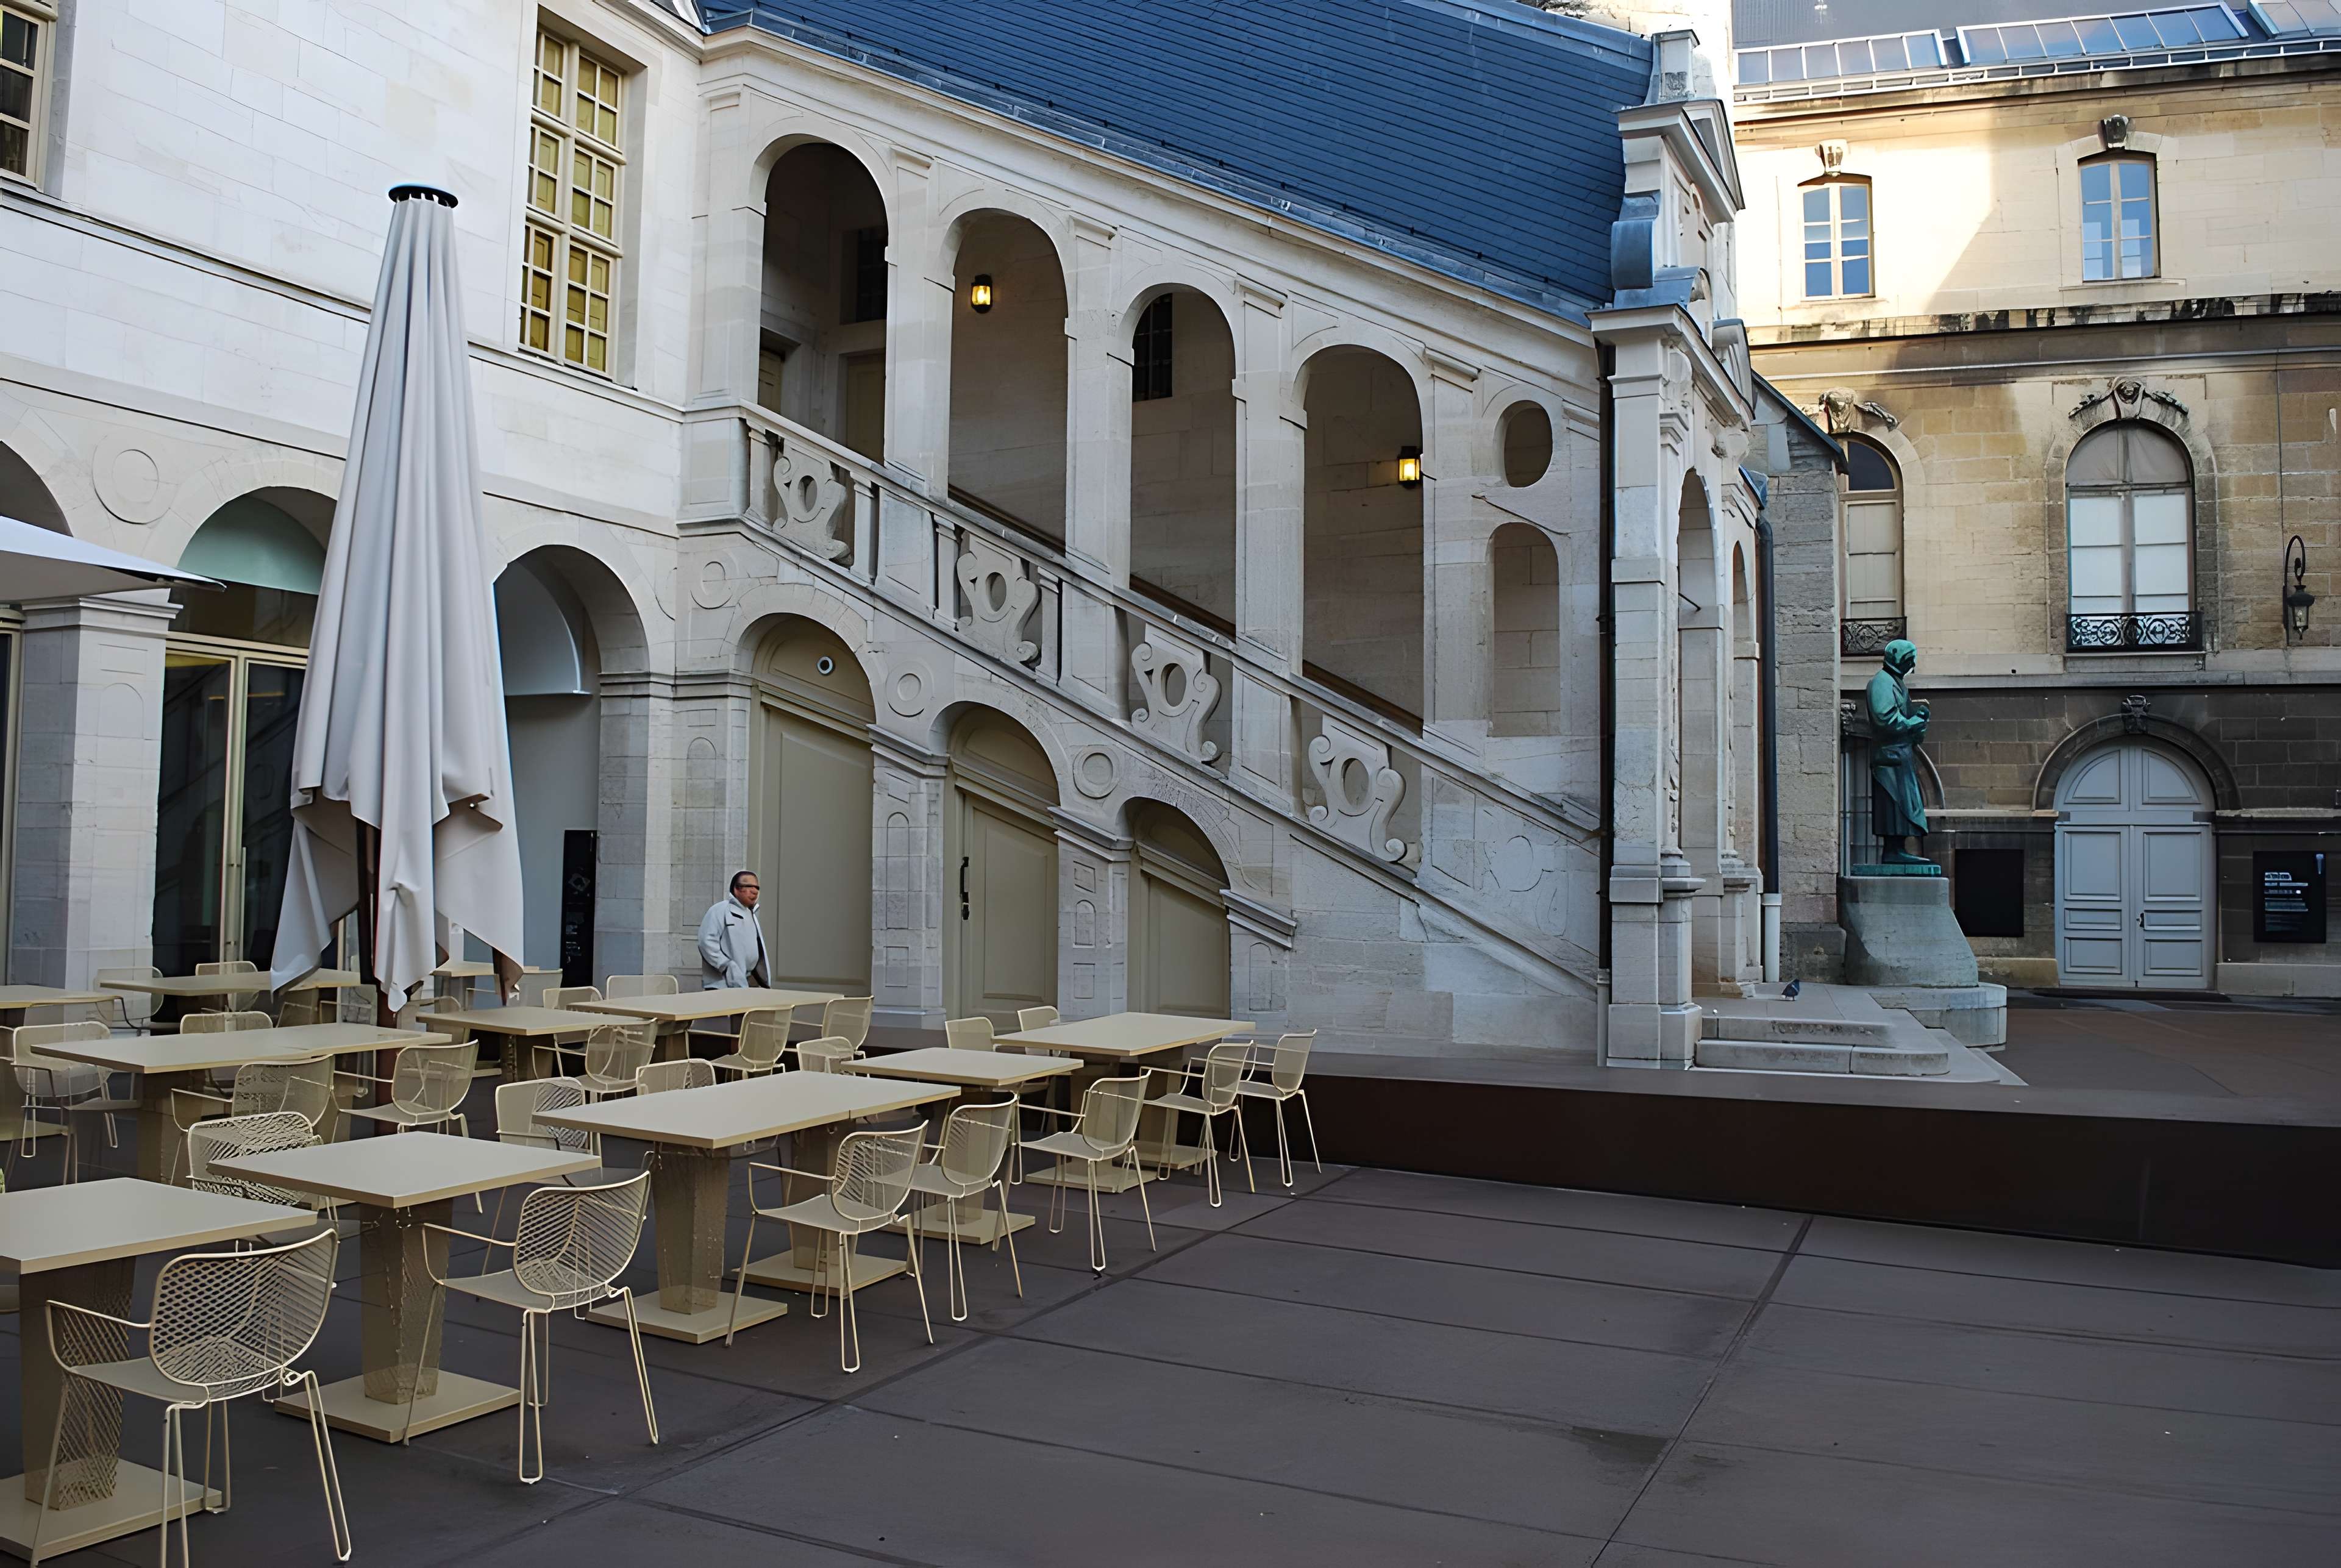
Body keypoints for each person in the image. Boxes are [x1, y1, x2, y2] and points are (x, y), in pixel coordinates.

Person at [1865, 639, 1933, 866]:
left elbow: (1900, 716)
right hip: (1889, 758)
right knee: (1895, 804)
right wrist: (1912, 722)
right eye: (1911, 660)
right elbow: (1885, 719)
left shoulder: (1896, 682)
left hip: (1899, 756)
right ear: (1902, 660)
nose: (1913, 665)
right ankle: (1893, 851)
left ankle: (1898, 849)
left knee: (1904, 804)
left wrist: (1918, 718)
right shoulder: (1882, 682)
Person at [697, 871, 771, 990]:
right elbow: (706, 942)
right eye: (749, 886)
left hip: (748, 981)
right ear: (737, 889)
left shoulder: (752, 913)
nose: (755, 891)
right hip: (722, 984)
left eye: (757, 887)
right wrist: (726, 966)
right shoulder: (720, 910)